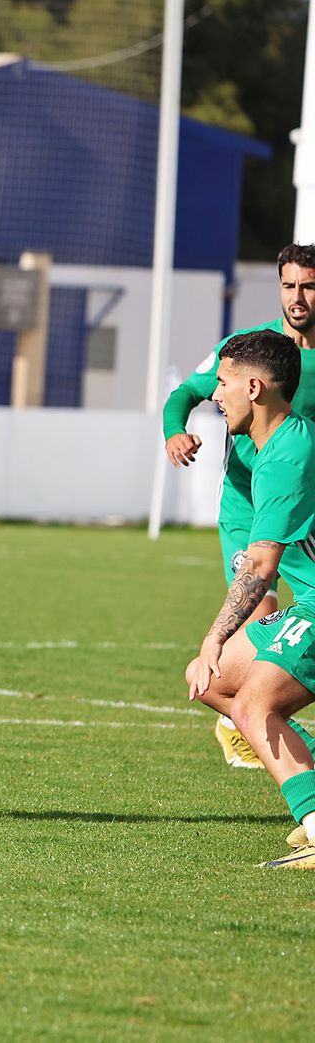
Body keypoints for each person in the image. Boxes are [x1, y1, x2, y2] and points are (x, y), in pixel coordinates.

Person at [165, 243, 315, 769]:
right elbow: (184, 392)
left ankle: (260, 718)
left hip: (299, 518)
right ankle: (258, 722)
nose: (297, 297)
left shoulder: (293, 443)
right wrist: (173, 432)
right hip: (250, 515)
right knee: (260, 615)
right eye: (288, 285)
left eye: (309, 285)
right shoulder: (251, 349)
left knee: (276, 656)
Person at [182, 330, 315, 867]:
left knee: (255, 703)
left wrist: (215, 635)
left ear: (253, 387)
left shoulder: (287, 455)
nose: (215, 395)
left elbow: (261, 565)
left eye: (223, 382)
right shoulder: (272, 446)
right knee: (211, 681)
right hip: (308, 604)